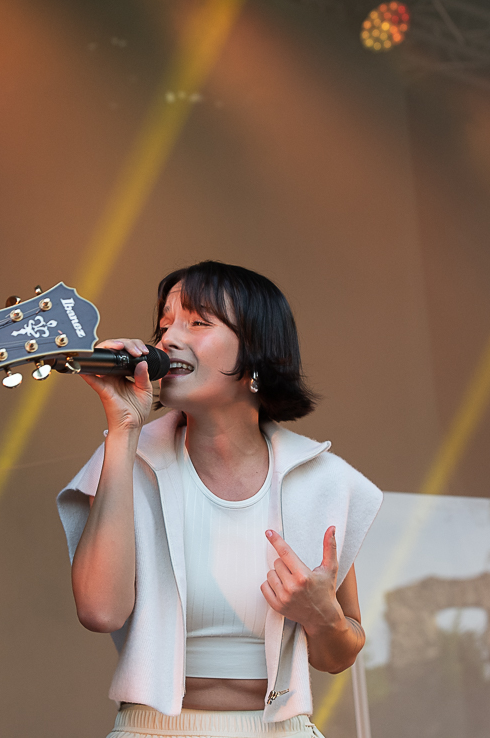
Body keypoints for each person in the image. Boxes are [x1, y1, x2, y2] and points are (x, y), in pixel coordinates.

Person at [58, 261, 383, 738]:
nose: (167, 339)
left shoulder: (321, 480)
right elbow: (100, 612)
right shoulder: (128, 461)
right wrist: (124, 429)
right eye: (164, 324)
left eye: (197, 322)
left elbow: (339, 656)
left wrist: (322, 616)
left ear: (256, 351)